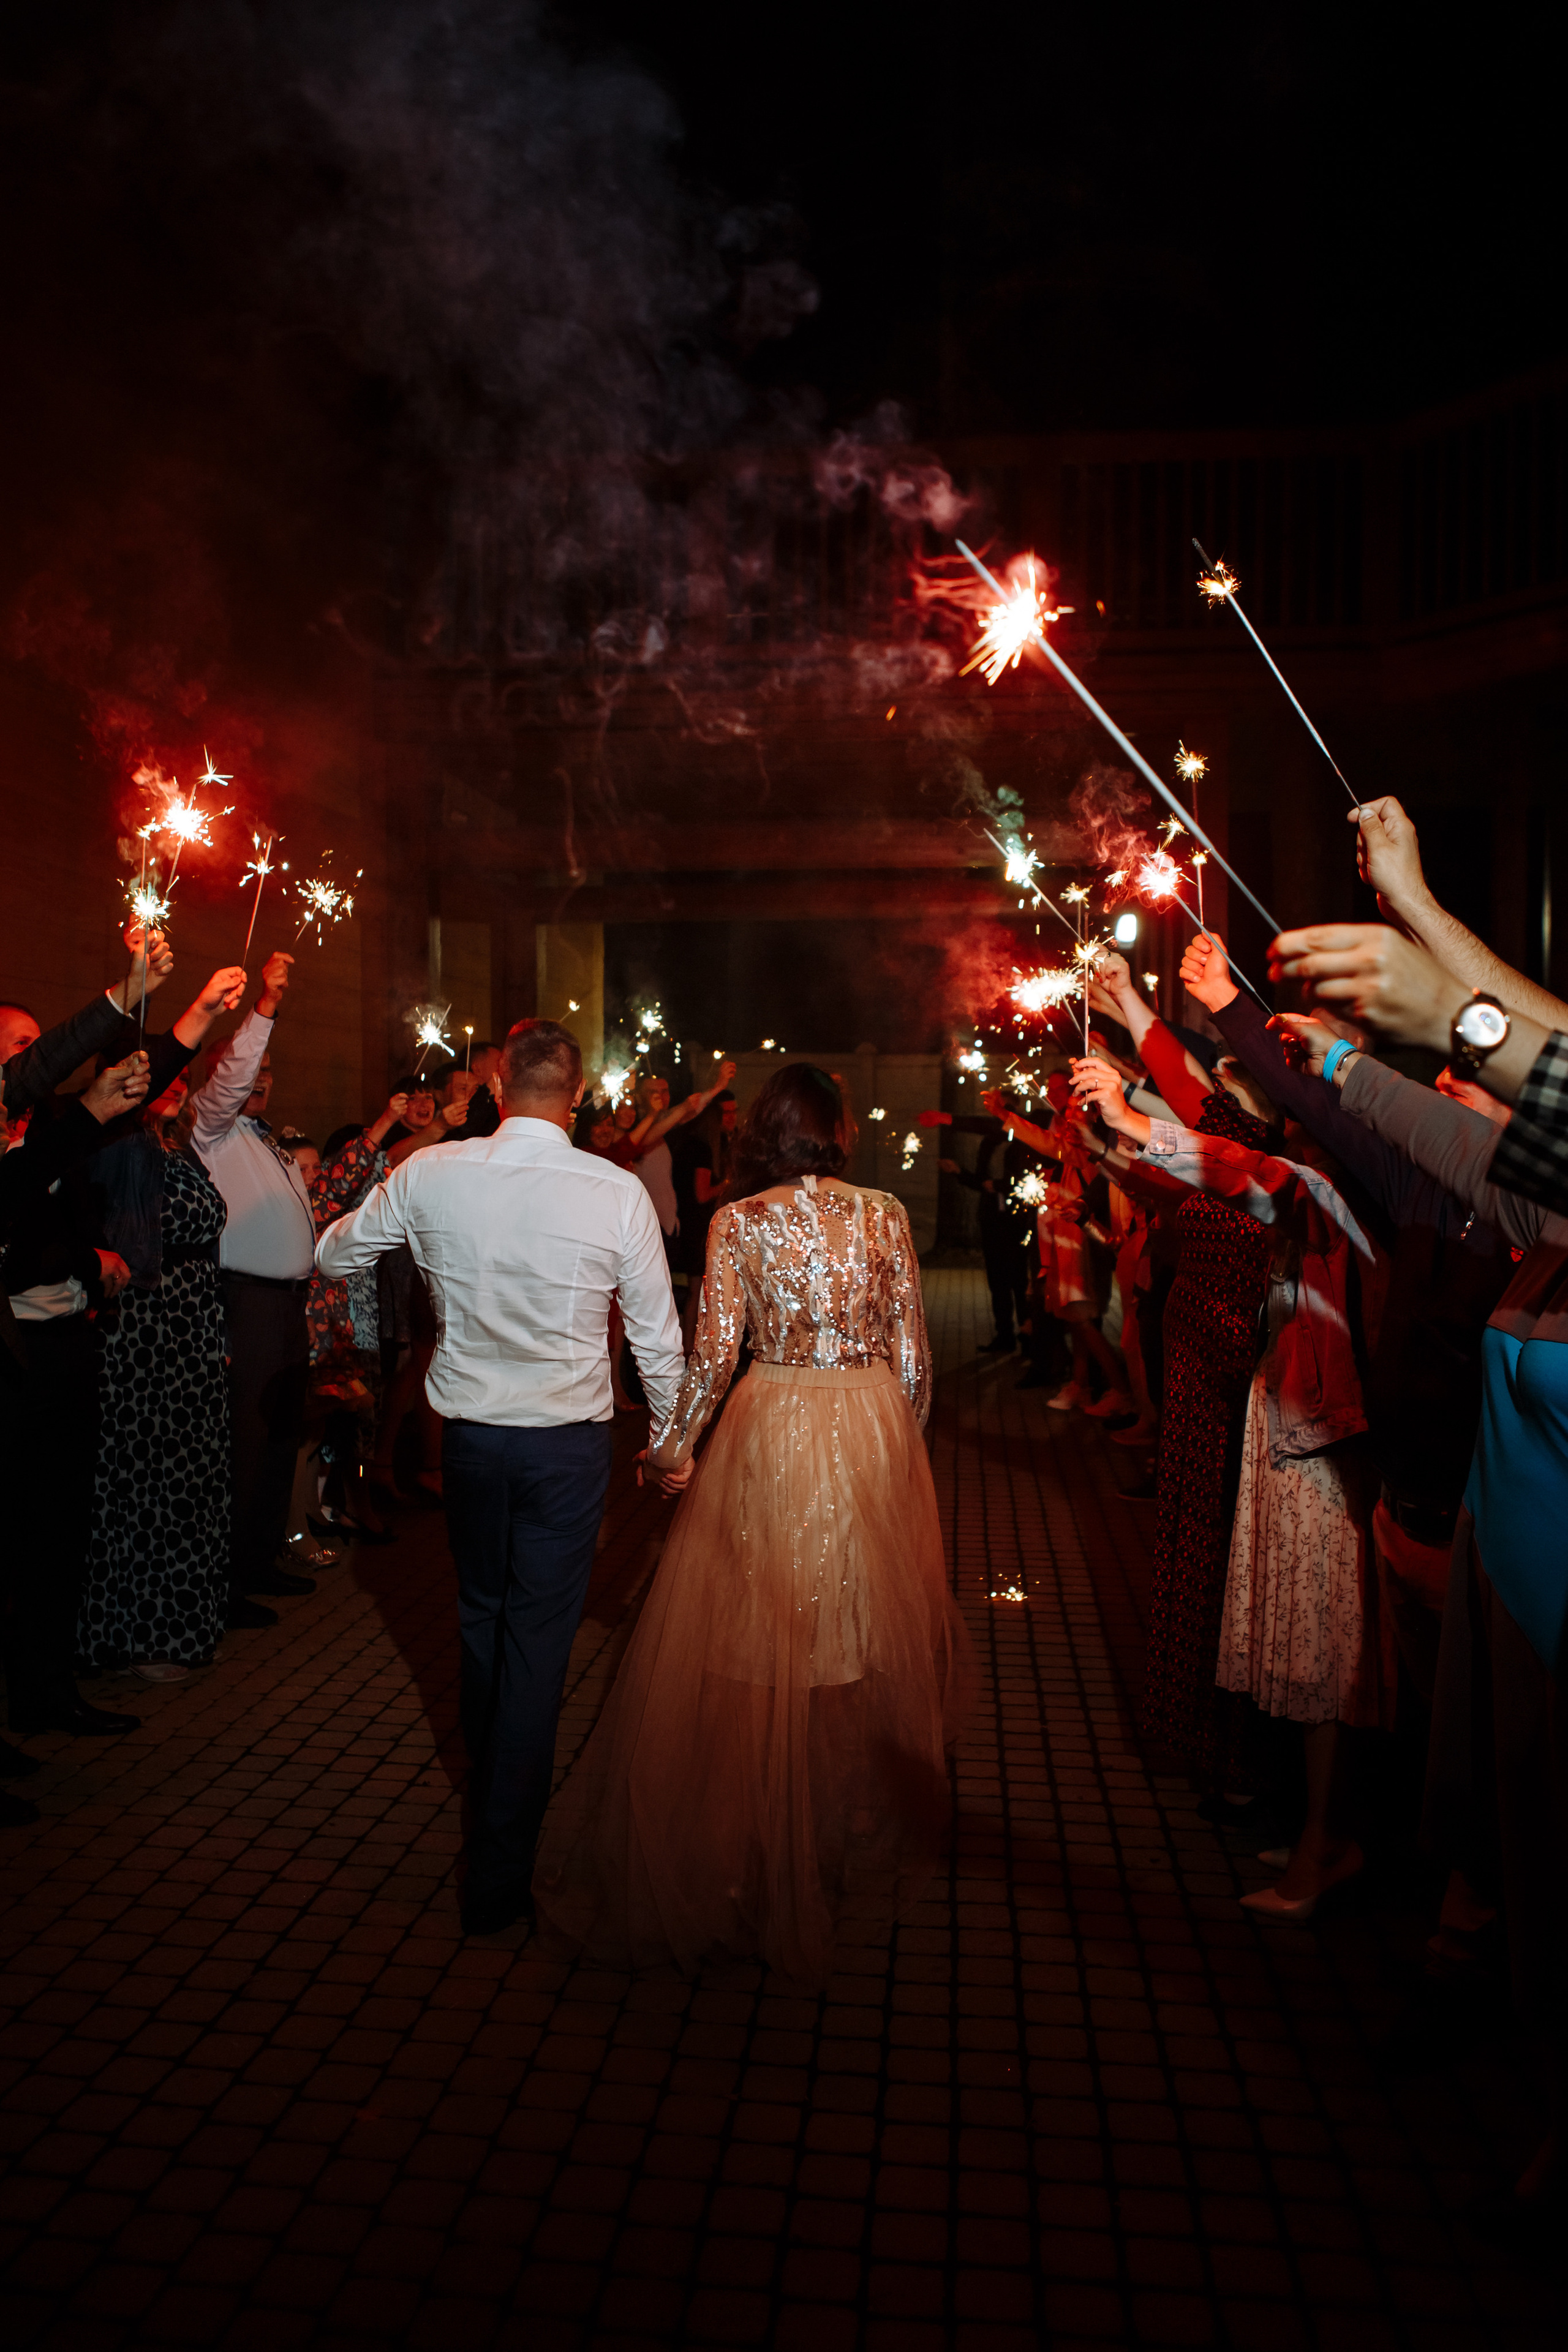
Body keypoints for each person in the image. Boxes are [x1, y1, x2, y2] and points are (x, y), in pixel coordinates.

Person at [533, 1063, 974, 1984]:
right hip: (868, 1424)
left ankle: (762, 1852)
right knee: (846, 1637)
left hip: (773, 1425)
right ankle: (823, 1841)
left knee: (762, 1633)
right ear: (837, 1130)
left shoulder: (738, 1222)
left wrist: (670, 1450)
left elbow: (712, 1357)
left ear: (763, 1132)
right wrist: (900, 1458)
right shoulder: (886, 1213)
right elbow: (915, 1361)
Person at [315, 1018, 685, 1937]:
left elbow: (333, 1255)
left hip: (473, 1442)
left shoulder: (433, 1174)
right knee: (536, 1645)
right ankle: (498, 1867)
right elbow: (656, 1336)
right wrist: (670, 1442)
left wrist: (400, 1213)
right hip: (567, 1449)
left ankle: (491, 1794)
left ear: (493, 1086)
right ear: (579, 1096)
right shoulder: (614, 1189)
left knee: (482, 1617)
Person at [1074, 1053, 1387, 1918]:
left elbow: (1243, 1173)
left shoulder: (1337, 1187)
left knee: (1321, 1651)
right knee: (1296, 1641)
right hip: (1288, 1423)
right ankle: (1316, 1827)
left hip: (1324, 1435)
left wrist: (1132, 1116)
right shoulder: (1306, 1175)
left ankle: (1326, 1845)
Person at [78, 964, 251, 1679]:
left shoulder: (173, 1145)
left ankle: (184, 1627)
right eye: (151, 1074)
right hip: (144, 1338)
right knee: (149, 1488)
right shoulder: (116, 1147)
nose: (170, 1084)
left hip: (190, 1334)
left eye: (171, 1074)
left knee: (192, 1486)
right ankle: (138, 1637)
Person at [2, 1042, 155, 1746]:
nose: (32, 1057)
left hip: (67, 1344)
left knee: (60, 1530)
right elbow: (28, 1248)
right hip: (18, 1357)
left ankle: (48, 1691)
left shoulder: (50, 1135)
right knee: (19, 1538)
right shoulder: (25, 1154)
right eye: (18, 1046)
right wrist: (85, 1260)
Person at [189, 950, 318, 1630]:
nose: (260, 1077)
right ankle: (226, 1580)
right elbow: (233, 1074)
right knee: (246, 1439)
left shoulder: (264, 1140)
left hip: (288, 1307)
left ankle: (261, 1559)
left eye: (269, 1070)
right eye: (250, 1069)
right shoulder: (210, 1127)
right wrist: (265, 1007)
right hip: (248, 1303)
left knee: (279, 1438)